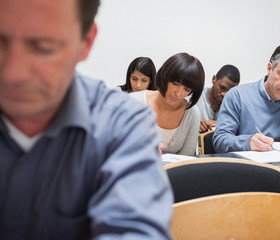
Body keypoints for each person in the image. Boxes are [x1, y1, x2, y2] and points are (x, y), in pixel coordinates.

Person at [0, 0, 173, 239]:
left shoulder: (123, 124)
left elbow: (135, 229)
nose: (13, 73)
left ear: (86, 42)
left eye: (44, 47)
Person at [130, 53, 205, 155]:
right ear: (165, 76)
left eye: (186, 89)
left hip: (172, 171)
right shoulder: (133, 102)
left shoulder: (191, 114)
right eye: (175, 83)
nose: (178, 93)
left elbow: (185, 161)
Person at [197, 64, 240, 133]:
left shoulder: (234, 106)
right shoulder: (195, 97)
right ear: (214, 79)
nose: (224, 94)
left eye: (230, 91)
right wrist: (194, 123)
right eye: (222, 88)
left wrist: (221, 124)